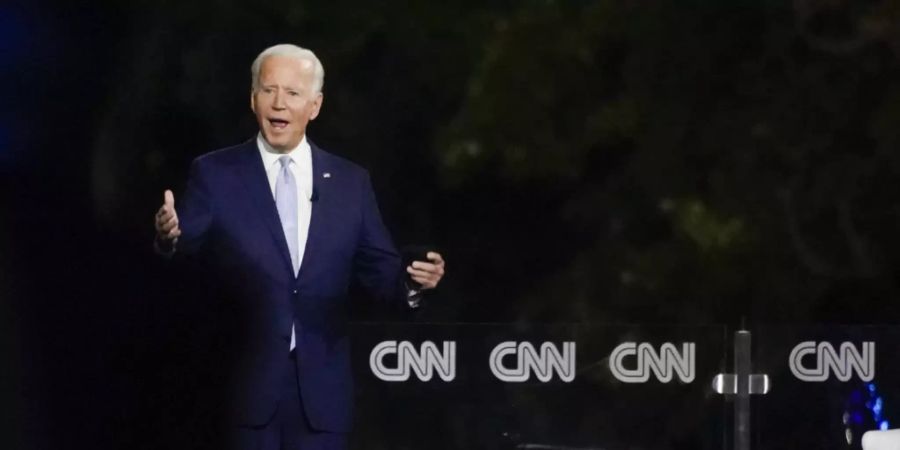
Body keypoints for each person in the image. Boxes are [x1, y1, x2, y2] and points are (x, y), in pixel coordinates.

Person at [153, 43, 445, 450]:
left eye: (292, 93)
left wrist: (415, 281)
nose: (279, 103)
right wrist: (169, 236)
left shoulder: (350, 183)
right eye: (268, 90)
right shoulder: (216, 173)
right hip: (242, 388)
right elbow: (186, 246)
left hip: (321, 399)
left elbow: (381, 273)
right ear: (253, 99)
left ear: (315, 105)